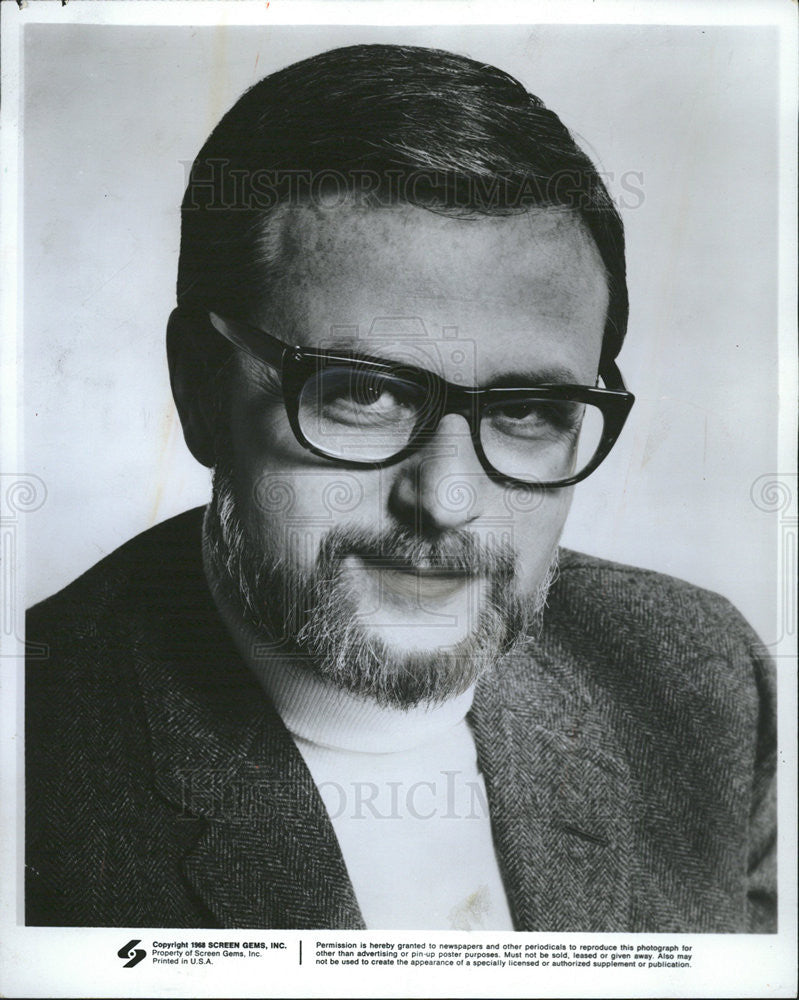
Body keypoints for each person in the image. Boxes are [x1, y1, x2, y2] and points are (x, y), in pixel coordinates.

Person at [25, 43, 775, 932]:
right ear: (200, 389)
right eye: (364, 393)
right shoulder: (36, 757)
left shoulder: (698, 677)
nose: (447, 498)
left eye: (529, 408)